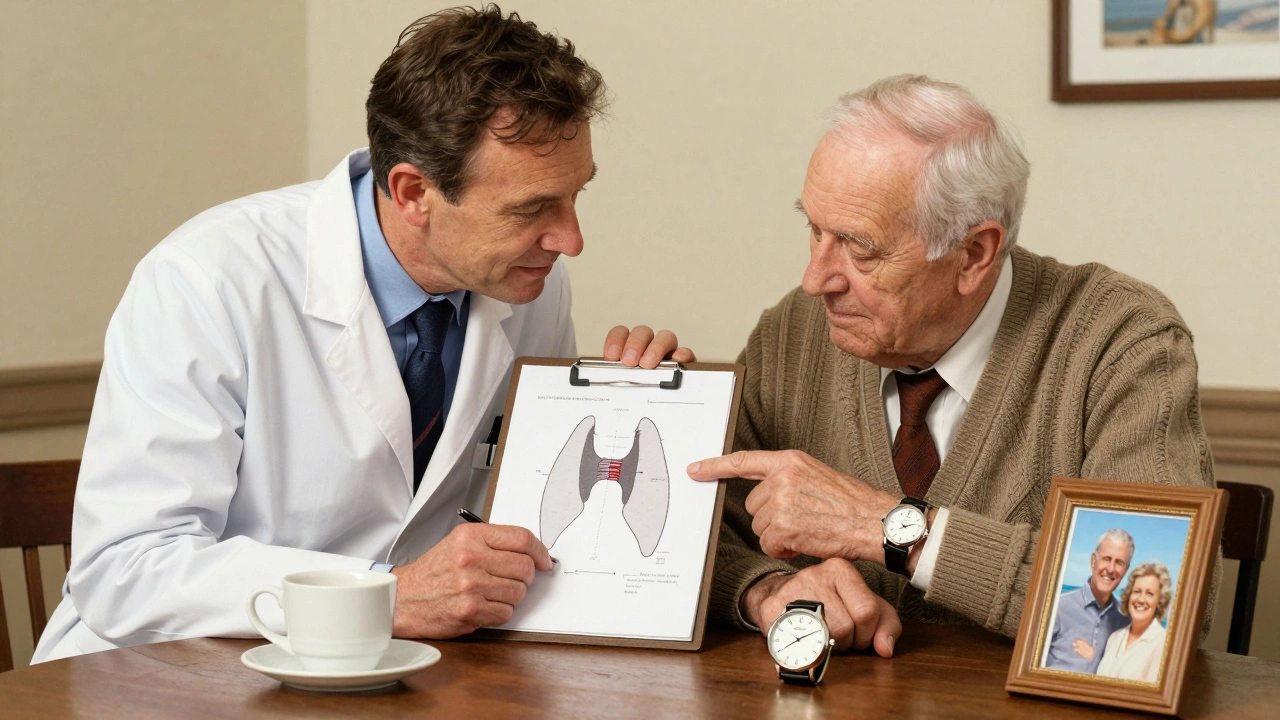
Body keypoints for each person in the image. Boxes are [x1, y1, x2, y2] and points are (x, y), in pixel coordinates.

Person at [33, 5, 690, 662]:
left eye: (575, 196)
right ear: (411, 192)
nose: (570, 239)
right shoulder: (206, 280)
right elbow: (127, 570)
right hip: (162, 671)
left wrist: (630, 402)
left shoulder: (528, 282)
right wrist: (385, 595)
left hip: (396, 671)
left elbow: (524, 511)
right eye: (532, 209)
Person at [687, 75, 1215, 655]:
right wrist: (766, 589)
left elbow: (1158, 613)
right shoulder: (793, 335)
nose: (816, 280)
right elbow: (694, 545)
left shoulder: (1122, 342)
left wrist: (890, 530)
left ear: (974, 254)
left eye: (861, 249)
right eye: (813, 230)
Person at [1044, 530, 1134, 674]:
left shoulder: (1124, 622)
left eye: (1119, 563)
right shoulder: (1058, 607)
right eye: (1106, 558)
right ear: (1093, 561)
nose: (1111, 569)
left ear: (1126, 569)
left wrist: (1094, 658)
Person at [1097, 562, 1174, 683]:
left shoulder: (1163, 644)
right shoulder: (1114, 638)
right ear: (1129, 595)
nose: (1141, 599)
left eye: (1150, 594)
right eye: (1137, 591)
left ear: (1160, 601)